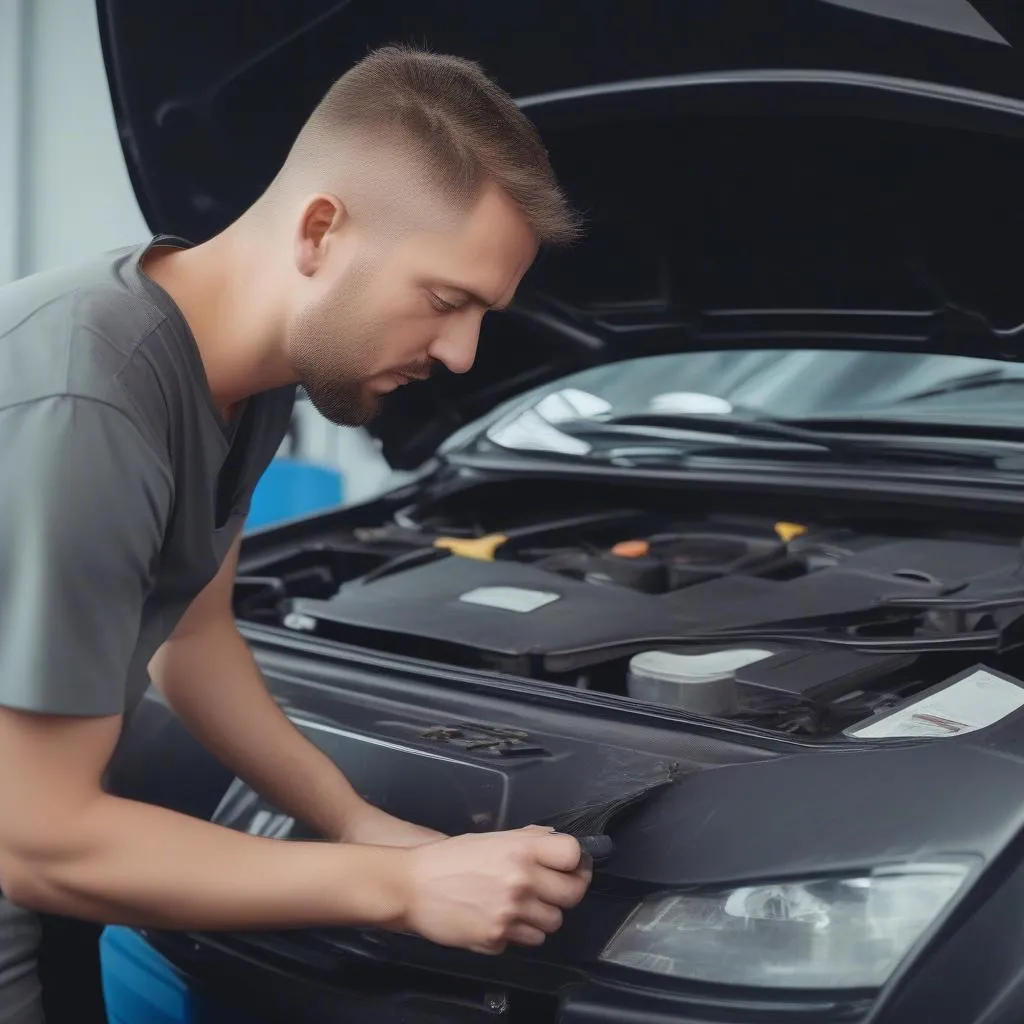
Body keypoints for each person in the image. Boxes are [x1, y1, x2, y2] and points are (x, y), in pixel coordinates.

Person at [0, 45, 589, 1023]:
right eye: (445, 301)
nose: (461, 352)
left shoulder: (247, 377)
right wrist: (399, 890)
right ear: (321, 231)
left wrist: (358, 823)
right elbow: (40, 838)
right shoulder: (89, 402)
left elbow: (193, 638)